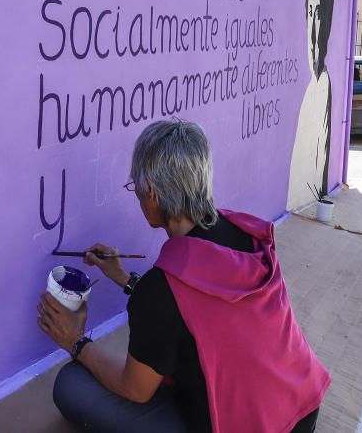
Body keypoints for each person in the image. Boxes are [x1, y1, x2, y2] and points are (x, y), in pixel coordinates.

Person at [37, 119, 329, 433]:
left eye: (135, 186)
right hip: (302, 409)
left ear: (151, 193)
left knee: (71, 384)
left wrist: (76, 343)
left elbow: (135, 388)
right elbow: (199, 307)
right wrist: (125, 279)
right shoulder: (246, 235)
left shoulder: (159, 292)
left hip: (244, 425)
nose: (136, 195)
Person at [287, 0, 335, 211]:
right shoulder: (310, 88)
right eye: (309, 12)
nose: (314, 26)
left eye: (320, 14)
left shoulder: (322, 87)